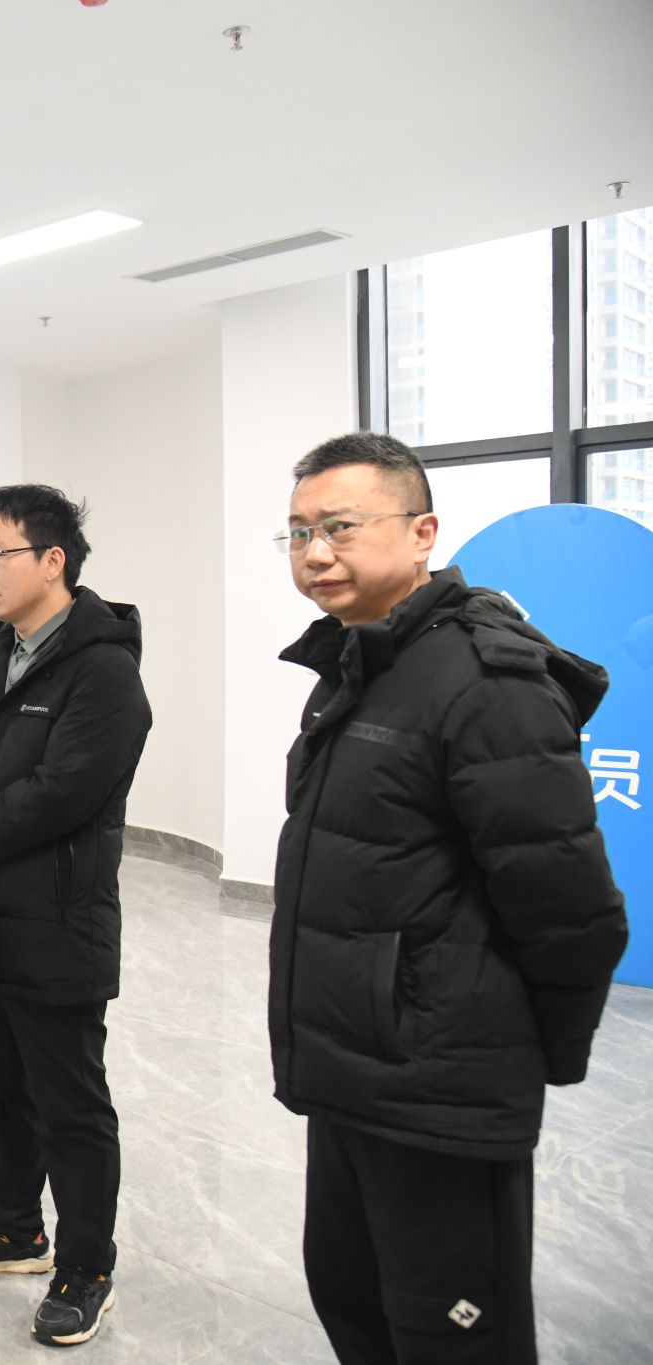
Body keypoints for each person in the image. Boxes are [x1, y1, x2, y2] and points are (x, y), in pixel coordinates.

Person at [270, 433, 627, 1365]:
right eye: (299, 532)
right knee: (353, 1302)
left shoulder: (485, 682)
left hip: (439, 1092)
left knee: (452, 1336)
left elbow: (572, 911)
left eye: (340, 527)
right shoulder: (360, 664)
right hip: (352, 1073)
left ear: (423, 532)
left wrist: (516, 1062)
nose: (315, 552)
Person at [0, 485, 150, 1349]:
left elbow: (58, 795)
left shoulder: (105, 672)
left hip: (57, 919)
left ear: (54, 560)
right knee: (1, 1084)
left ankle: (86, 1267)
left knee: (69, 1103)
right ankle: (12, 1225)